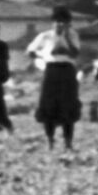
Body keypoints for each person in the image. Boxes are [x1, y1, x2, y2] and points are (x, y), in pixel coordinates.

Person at [28, 8, 84, 150]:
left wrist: (65, 38)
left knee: (68, 105)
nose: (60, 24)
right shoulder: (45, 36)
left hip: (67, 71)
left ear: (68, 24)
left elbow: (75, 53)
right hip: (51, 70)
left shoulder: (73, 35)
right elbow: (30, 51)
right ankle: (50, 140)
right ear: (53, 23)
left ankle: (68, 142)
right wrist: (42, 56)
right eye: (57, 22)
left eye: (63, 22)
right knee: (49, 106)